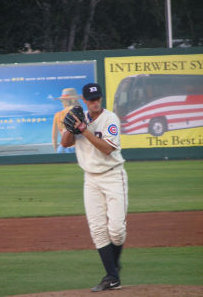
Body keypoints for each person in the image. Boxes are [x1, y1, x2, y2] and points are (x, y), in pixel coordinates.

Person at [61, 83, 128, 292]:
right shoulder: (78, 115)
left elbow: (107, 149)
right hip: (90, 179)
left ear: (101, 98)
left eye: (97, 98)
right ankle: (112, 277)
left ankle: (113, 268)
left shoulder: (110, 119)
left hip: (113, 175)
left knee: (116, 231)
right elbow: (65, 143)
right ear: (84, 100)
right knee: (97, 230)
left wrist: (84, 130)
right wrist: (71, 127)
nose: (95, 102)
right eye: (91, 100)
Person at [52, 88, 80, 153]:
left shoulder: (57, 115)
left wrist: (56, 149)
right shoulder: (79, 113)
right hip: (77, 148)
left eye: (62, 101)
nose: (62, 103)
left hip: (62, 149)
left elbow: (54, 138)